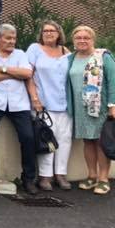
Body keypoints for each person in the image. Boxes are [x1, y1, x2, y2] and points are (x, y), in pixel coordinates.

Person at [0, 24, 37, 194]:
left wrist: (2, 70)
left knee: (27, 137)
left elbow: (27, 74)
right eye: (8, 38)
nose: (12, 41)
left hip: (19, 103)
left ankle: (28, 178)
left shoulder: (20, 54)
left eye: (14, 38)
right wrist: (14, 73)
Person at [26, 22, 74, 190]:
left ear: (59, 33)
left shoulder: (66, 52)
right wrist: (35, 99)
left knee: (65, 140)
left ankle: (60, 174)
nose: (48, 33)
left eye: (52, 30)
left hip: (65, 104)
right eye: (45, 31)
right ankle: (45, 176)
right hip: (44, 103)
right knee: (47, 139)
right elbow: (28, 76)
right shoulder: (34, 49)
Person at [67, 26, 115, 196]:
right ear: (73, 41)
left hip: (100, 106)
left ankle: (103, 179)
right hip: (81, 107)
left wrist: (112, 105)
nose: (82, 40)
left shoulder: (103, 57)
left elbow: (113, 80)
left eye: (86, 38)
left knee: (100, 142)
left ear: (93, 40)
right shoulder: (71, 58)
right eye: (78, 37)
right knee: (88, 141)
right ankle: (91, 175)